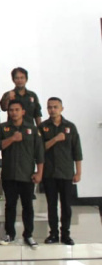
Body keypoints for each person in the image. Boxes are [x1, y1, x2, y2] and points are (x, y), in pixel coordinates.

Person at [0, 100, 44, 249]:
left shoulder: (32, 129)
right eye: (11, 110)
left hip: (27, 175)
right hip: (9, 174)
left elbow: (39, 153)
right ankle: (9, 234)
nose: (14, 112)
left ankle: (28, 235)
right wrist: (12, 139)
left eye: (17, 110)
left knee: (28, 206)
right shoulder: (3, 128)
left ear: (23, 112)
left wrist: (39, 173)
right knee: (10, 205)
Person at [39, 97, 82, 245]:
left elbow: (77, 151)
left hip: (66, 172)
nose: (52, 110)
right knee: (51, 205)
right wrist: (55, 139)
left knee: (66, 206)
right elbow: (39, 149)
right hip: (49, 173)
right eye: (49, 107)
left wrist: (78, 172)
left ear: (61, 109)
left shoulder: (70, 127)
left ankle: (66, 234)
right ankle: (53, 234)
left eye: (55, 107)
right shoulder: (43, 127)